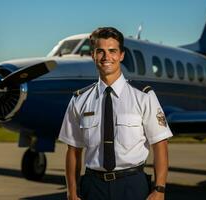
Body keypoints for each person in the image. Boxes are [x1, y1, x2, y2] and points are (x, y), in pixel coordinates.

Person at [58, 27, 173, 200]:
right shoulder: (78, 100)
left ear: (121, 55)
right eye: (100, 51)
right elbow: (73, 151)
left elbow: (160, 145)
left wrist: (159, 189)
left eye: (112, 51)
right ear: (93, 55)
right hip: (93, 185)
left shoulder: (143, 96)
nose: (106, 57)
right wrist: (71, 192)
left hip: (132, 184)